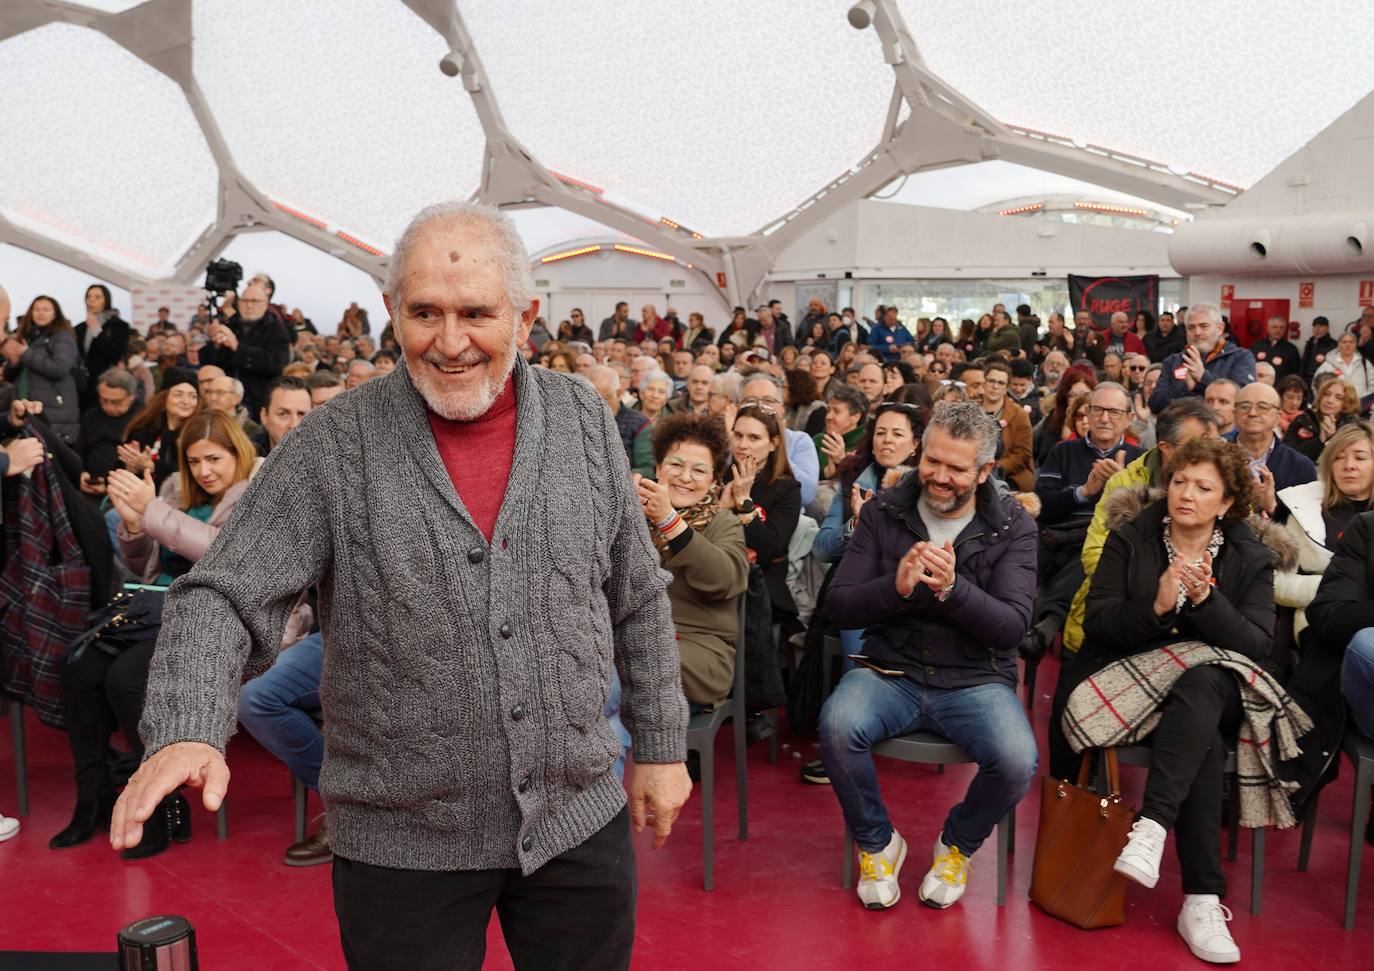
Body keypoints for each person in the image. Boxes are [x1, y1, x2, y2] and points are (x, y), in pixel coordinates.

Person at [111, 201, 690, 971]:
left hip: (578, 819)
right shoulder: (331, 445)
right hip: (401, 848)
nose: (450, 342)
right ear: (391, 310)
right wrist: (188, 722)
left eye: (477, 312)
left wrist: (658, 744)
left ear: (526, 313)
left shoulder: (582, 416)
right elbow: (222, 591)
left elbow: (637, 591)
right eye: (425, 312)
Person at [1057, 436, 1291, 965]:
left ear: (1227, 502)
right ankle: (1202, 897)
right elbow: (1100, 626)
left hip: (1217, 686)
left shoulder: (1250, 557)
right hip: (1130, 679)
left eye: (1204, 487)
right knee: (1202, 737)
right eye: (1180, 481)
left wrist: (1206, 601)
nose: (1187, 494)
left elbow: (1257, 647)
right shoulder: (1131, 540)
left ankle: (1153, 826)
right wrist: (1157, 605)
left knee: (1204, 680)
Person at [819, 401, 1037, 910]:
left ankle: (957, 844)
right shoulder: (883, 511)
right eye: (932, 462)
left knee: (1016, 759)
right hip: (890, 669)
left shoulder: (1013, 527)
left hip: (975, 678)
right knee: (836, 726)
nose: (939, 477)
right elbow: (840, 607)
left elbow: (1011, 628)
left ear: (985, 471)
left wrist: (954, 589)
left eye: (956, 468)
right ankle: (877, 843)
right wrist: (894, 588)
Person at [52, 411, 263, 858]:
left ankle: (159, 799)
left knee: (125, 677)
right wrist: (133, 524)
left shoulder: (257, 491)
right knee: (78, 668)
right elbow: (144, 560)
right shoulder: (173, 491)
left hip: (214, 618)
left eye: (214, 459)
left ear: (237, 454)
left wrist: (153, 511)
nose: (205, 470)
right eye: (195, 461)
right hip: (152, 607)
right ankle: (92, 795)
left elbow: (222, 555)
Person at [1059, 398, 1220, 656]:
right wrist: (1162, 585)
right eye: (1198, 445)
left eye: (1215, 443)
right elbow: (1093, 556)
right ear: (1166, 448)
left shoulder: (1223, 486)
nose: (1211, 453)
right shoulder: (1125, 484)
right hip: (1121, 616)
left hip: (1195, 630)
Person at [631, 413, 749, 708]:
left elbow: (725, 579)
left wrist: (669, 521)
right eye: (675, 465)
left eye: (699, 470)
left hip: (698, 653)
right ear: (658, 468)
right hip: (630, 641)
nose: (685, 477)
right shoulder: (633, 518)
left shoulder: (724, 524)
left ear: (712, 481)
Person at [1027, 383, 1143, 655]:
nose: (1105, 418)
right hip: (1066, 536)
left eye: (1114, 412)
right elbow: (1041, 505)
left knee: (1100, 554)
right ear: (1087, 414)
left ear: (1128, 417)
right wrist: (1084, 492)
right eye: (1098, 410)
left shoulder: (1140, 458)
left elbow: (1148, 515)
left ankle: (1053, 620)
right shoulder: (1063, 452)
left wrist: (1121, 489)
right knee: (1086, 554)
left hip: (1114, 539)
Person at [1275, 421, 1374, 638]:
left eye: (1360, 457)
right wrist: (1337, 588)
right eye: (1339, 457)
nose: (1348, 465)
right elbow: (1278, 583)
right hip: (1321, 625)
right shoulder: (1301, 509)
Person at [201, 282, 293, 416]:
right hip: (224, 401)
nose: (249, 305)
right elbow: (209, 363)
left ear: (265, 303)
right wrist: (215, 345)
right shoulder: (232, 325)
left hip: (257, 403)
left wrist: (238, 348)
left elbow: (275, 364)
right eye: (245, 301)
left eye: (255, 301)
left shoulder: (277, 330)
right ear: (238, 303)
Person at [1230, 382, 1316, 519]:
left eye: (1262, 407)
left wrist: (1273, 509)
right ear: (1234, 414)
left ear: (1278, 417)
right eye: (1244, 406)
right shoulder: (1216, 459)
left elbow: (1309, 525)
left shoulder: (1301, 466)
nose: (1252, 413)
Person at [1, 295, 81, 444]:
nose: (41, 313)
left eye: (46, 309)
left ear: (55, 313)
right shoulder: (27, 337)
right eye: (36, 309)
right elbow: (10, 376)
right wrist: (14, 362)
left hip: (54, 409)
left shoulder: (62, 336)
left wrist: (26, 353)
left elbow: (60, 368)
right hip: (25, 404)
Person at [1149, 303, 1256, 413]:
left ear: (1220, 328)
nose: (1197, 332)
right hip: (1184, 428)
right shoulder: (1172, 361)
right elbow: (1155, 404)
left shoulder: (1241, 357)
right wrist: (1185, 388)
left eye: (1204, 326)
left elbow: (1243, 399)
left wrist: (1203, 377)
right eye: (1191, 327)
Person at [76, 368, 139, 497]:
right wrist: (80, 473)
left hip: (124, 490)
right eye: (104, 400)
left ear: (131, 397)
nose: (109, 407)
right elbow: (79, 451)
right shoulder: (91, 416)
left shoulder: (142, 418)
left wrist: (109, 485)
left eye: (116, 402)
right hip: (89, 483)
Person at [74, 284, 131, 410]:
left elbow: (115, 355)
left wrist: (97, 331)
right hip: (81, 386)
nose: (91, 300)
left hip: (106, 386)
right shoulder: (79, 328)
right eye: (88, 297)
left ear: (106, 300)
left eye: (97, 297)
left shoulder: (118, 326)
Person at [981, 361, 1034, 491]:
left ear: (1006, 388)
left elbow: (1023, 454)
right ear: (984, 382)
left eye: (1000, 383)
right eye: (991, 381)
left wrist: (995, 466)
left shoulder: (1019, 415)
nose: (995, 386)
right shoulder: (972, 409)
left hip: (1008, 475)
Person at [1284, 377, 1361, 463]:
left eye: (1338, 398)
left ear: (1347, 404)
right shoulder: (1303, 419)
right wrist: (1320, 440)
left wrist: (1332, 438)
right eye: (1326, 394)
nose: (1329, 400)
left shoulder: (1353, 428)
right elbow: (1288, 456)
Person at [253, 376, 312, 456]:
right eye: (283, 414)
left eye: (302, 414)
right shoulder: (246, 459)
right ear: (264, 416)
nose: (294, 425)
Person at [1313, 330, 1374, 401]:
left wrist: (1366, 401)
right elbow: (1316, 385)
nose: (1348, 345)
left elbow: (1372, 385)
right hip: (1335, 407)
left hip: (1361, 407)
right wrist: (1328, 401)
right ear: (1338, 345)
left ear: (1355, 345)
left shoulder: (1365, 363)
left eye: (1351, 342)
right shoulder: (1328, 364)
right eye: (1344, 342)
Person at [1249, 317, 1300, 382]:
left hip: (1279, 388)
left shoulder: (1291, 349)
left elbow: (1294, 373)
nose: (1278, 330)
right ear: (1268, 328)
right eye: (1275, 327)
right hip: (1258, 385)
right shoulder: (1257, 346)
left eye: (1281, 327)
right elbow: (1249, 366)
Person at [1300, 316, 1337, 384]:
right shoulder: (1310, 343)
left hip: (1323, 380)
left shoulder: (1333, 345)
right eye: (1315, 326)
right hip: (1307, 381)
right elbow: (1304, 363)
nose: (1317, 329)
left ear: (1327, 328)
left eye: (1320, 326)